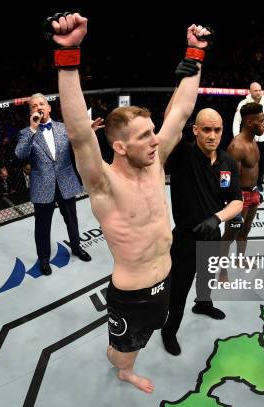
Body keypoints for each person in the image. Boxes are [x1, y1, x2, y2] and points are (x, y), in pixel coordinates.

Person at [47, 12, 211, 392]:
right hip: (131, 292)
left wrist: (196, 54)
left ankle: (130, 357)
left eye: (153, 132)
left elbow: (182, 113)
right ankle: (122, 369)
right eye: (144, 136)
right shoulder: (105, 184)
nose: (155, 141)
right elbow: (78, 135)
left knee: (153, 330)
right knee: (122, 354)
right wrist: (68, 55)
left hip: (165, 278)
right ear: (119, 146)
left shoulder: (154, 165)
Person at [162, 106, 243, 356]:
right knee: (179, 290)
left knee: (207, 278)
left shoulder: (227, 161)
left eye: (217, 130)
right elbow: (171, 123)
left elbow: (237, 201)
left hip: (212, 235)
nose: (212, 135)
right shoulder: (182, 154)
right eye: (206, 129)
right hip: (185, 239)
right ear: (195, 130)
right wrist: (181, 85)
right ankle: (169, 330)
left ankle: (204, 305)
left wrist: (217, 218)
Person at [15, 92, 91, 276]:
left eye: (42, 104)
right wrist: (33, 129)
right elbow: (20, 154)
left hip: (66, 181)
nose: (39, 107)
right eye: (34, 106)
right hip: (42, 186)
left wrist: (89, 133)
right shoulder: (26, 133)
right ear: (31, 112)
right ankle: (43, 259)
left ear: (49, 107)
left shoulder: (63, 128)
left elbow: (79, 145)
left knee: (72, 219)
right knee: (42, 226)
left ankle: (76, 247)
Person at [221, 103, 264, 274]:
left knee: (245, 231)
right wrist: (232, 203)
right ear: (248, 122)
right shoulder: (237, 146)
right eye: (261, 121)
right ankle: (222, 272)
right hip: (240, 196)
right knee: (229, 236)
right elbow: (227, 179)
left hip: (253, 192)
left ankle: (240, 260)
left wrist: (256, 192)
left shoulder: (253, 139)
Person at [232, 82, 264, 191]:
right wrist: (237, 137)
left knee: (260, 162)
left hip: (263, 139)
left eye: (259, 90)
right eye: (255, 90)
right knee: (244, 163)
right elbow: (236, 121)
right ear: (250, 91)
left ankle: (259, 183)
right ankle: (242, 185)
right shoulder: (243, 103)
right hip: (247, 139)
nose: (258, 92)